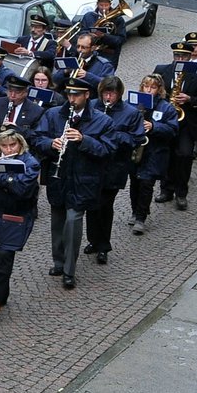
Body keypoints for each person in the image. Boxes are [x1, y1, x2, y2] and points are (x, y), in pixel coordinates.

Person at [35, 77, 114, 289]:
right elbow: (37, 138)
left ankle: (69, 270)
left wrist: (83, 140)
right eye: (69, 95)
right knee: (57, 223)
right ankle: (58, 262)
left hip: (83, 179)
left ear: (87, 95)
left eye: (76, 95)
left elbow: (108, 150)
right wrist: (50, 143)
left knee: (73, 223)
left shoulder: (102, 120)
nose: (71, 99)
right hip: (58, 177)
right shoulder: (53, 115)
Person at [0, 130, 42, 323]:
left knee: (5, 255)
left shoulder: (30, 163)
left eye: (13, 145)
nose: (9, 149)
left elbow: (22, 190)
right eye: (4, 146)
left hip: (15, 216)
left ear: (20, 144)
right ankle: (2, 292)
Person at [152, 40, 197, 210]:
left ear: (189, 57)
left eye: (183, 56)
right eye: (177, 56)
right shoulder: (162, 70)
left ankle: (181, 193)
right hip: (166, 121)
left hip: (187, 123)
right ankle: (166, 189)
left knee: (184, 156)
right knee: (167, 155)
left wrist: (190, 99)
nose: (179, 59)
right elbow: (150, 92)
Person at [85, 76, 137, 265]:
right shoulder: (92, 106)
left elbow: (135, 139)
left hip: (114, 167)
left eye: (112, 93)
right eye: (106, 93)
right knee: (91, 204)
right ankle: (92, 239)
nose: (108, 97)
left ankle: (103, 246)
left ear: (119, 94)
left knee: (105, 206)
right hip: (91, 164)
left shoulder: (130, 113)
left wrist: (112, 132)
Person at [127, 74, 178, 235]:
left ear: (159, 89)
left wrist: (154, 126)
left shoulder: (166, 107)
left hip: (154, 152)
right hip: (136, 151)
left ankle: (141, 218)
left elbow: (172, 129)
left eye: (153, 87)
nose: (149, 90)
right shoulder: (133, 104)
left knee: (146, 184)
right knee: (134, 182)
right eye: (146, 86)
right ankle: (135, 210)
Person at [0, 74, 44, 154]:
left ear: (25, 93)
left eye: (17, 92)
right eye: (10, 91)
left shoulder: (36, 110)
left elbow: (36, 136)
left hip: (20, 152)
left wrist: (16, 129)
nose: (12, 95)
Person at [77, 0, 127, 64]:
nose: (103, 8)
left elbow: (121, 40)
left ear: (110, 5)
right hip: (90, 53)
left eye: (106, 5)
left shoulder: (118, 19)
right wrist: (89, 35)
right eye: (101, 5)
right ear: (97, 4)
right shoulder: (89, 16)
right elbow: (81, 32)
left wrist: (104, 36)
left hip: (109, 54)